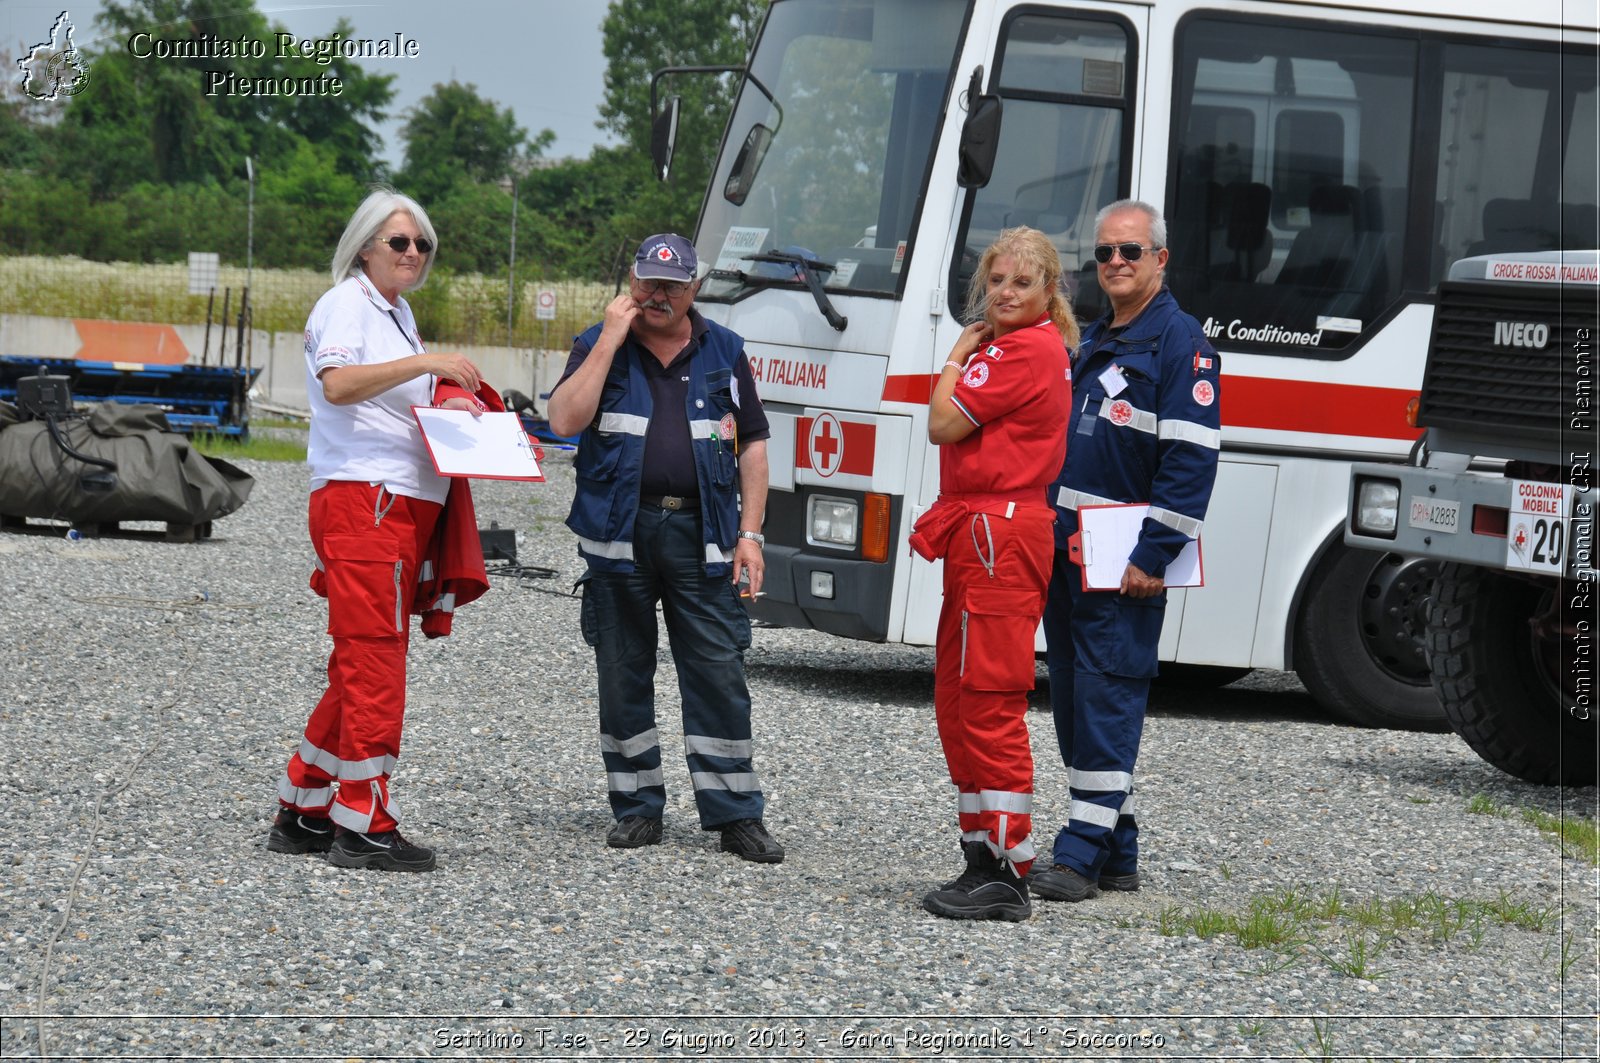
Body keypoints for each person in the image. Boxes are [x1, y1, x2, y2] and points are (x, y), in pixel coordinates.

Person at [268, 188, 493, 873]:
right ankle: (363, 820)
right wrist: (430, 364)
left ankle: (305, 804)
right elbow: (337, 384)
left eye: (423, 244)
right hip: (368, 500)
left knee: (360, 658)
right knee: (374, 660)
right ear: (366, 245)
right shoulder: (348, 302)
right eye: (400, 242)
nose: (414, 253)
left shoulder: (396, 313)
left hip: (392, 503)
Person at [546, 233, 783, 864]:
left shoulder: (724, 350)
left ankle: (735, 813)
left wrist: (750, 534)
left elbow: (753, 444)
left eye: (672, 285)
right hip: (619, 533)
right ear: (632, 280)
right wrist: (608, 341)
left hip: (703, 535)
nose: (658, 294)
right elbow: (564, 421)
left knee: (717, 671)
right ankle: (636, 807)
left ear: (694, 289)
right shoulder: (598, 345)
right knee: (622, 671)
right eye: (648, 282)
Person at [1033, 199, 1222, 902]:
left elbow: (1191, 461)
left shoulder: (1180, 345)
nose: (1114, 263)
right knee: (1077, 705)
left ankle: (1078, 855)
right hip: (1069, 553)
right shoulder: (1100, 337)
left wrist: (1155, 552)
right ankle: (1118, 850)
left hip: (1123, 561)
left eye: (1130, 252)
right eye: (1104, 253)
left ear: (1160, 260)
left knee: (1108, 700)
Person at [912, 227, 1075, 921]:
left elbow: (943, 424)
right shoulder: (1021, 347)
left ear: (1049, 291)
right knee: (958, 697)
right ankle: (981, 852)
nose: (1007, 293)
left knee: (989, 697)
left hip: (998, 536)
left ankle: (1008, 866)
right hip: (983, 532)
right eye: (998, 281)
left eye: (1022, 283)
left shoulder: (1021, 350)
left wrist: (954, 356)